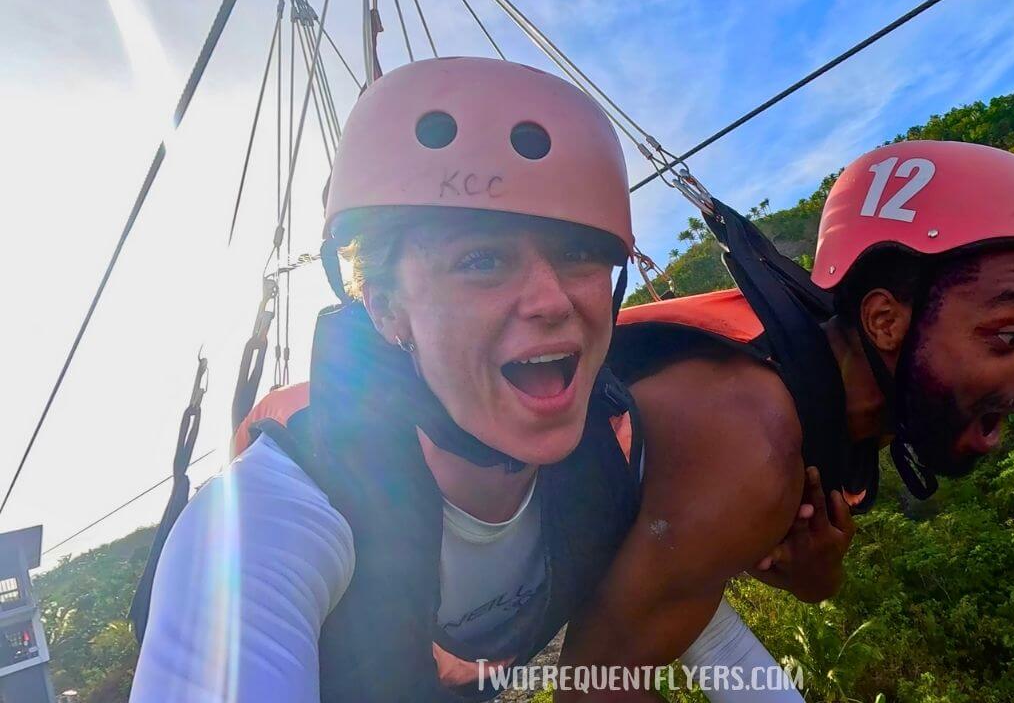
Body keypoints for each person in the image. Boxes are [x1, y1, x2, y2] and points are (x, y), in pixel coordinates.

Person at [129, 57, 815, 703]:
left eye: (579, 253)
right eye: (482, 260)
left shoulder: (611, 458)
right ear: (388, 308)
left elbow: (702, 629)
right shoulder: (266, 522)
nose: (551, 301)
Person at [555, 139, 1014, 698]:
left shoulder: (844, 383)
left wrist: (817, 576)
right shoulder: (752, 440)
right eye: (1008, 335)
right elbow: (593, 682)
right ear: (884, 321)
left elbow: (710, 547)